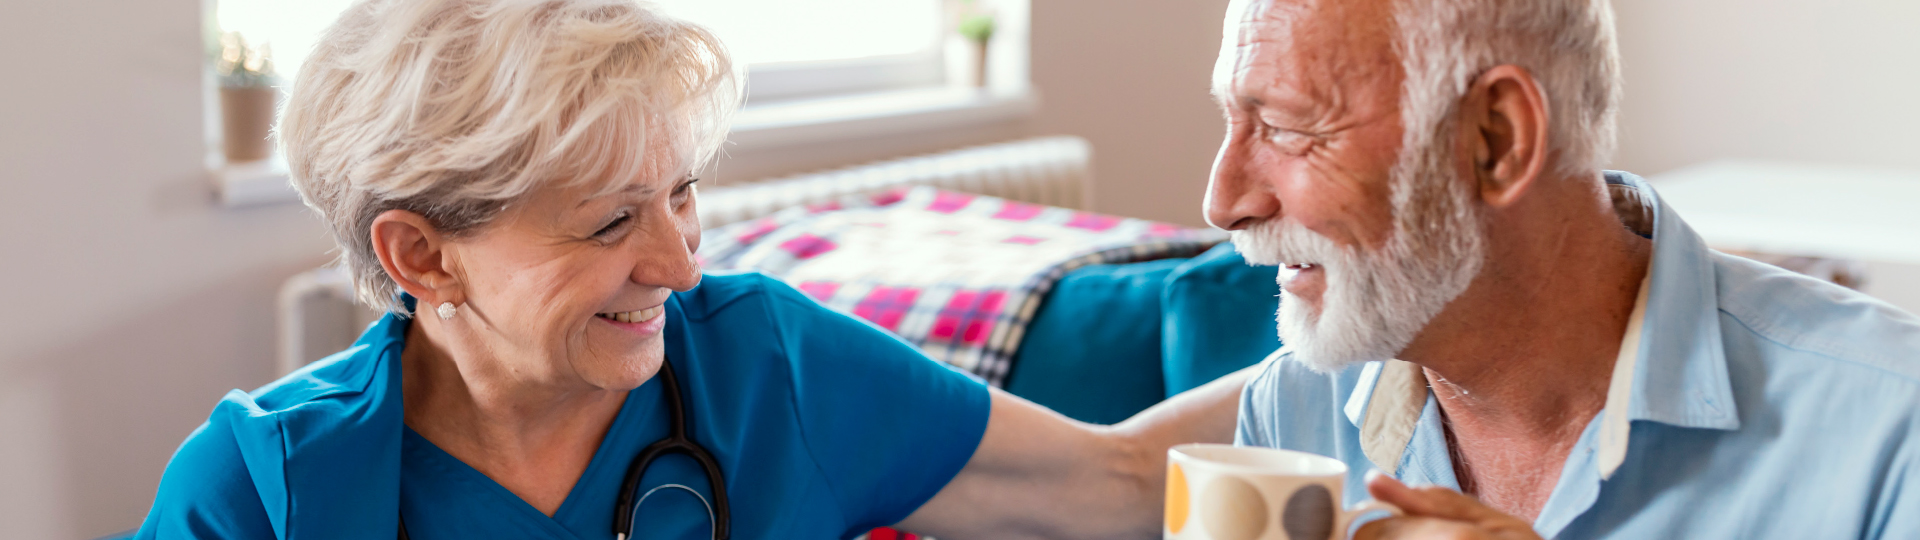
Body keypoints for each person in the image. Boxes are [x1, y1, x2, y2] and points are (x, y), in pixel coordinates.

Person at [133, 0, 1248, 537]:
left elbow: (1116, 485)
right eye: (611, 221)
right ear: (421, 254)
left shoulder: (764, 362)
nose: (676, 262)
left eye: (681, 193)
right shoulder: (263, 491)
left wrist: (1377, 338)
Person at [1208, 0, 1920, 538]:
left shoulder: (1892, 429)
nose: (1223, 201)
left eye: (1286, 128)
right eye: (1232, 123)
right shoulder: (1297, 410)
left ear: (1497, 140)